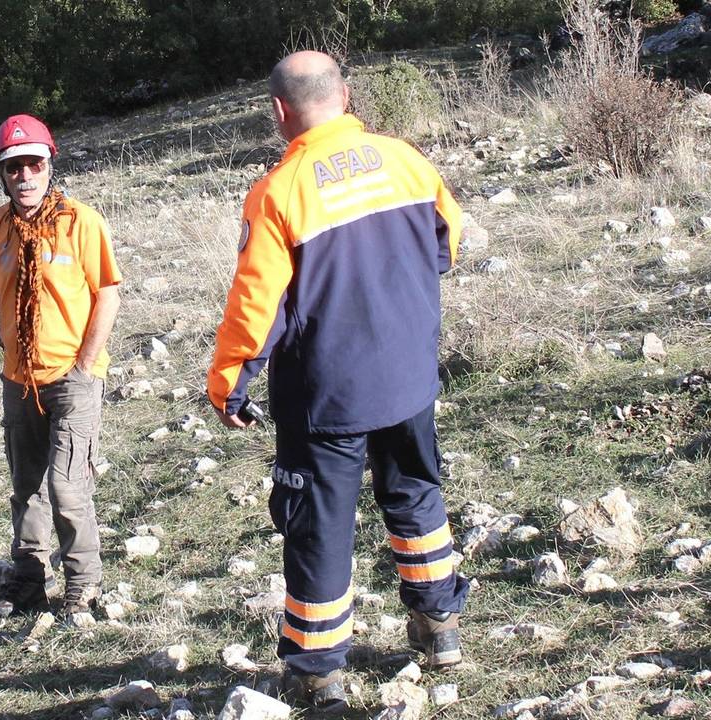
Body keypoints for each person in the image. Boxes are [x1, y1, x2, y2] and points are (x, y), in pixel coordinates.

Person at [207, 51, 469, 709]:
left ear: (277, 112)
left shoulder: (278, 193)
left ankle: (319, 672)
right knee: (415, 496)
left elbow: (257, 305)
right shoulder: (404, 158)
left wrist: (229, 383)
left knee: (319, 526)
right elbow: (448, 240)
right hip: (408, 375)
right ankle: (438, 630)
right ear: (346, 96)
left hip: (328, 394)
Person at [0, 114, 122, 619]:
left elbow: (107, 294)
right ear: (2, 173)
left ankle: (84, 582)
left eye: (33, 164)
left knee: (67, 486)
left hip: (73, 379)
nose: (25, 176)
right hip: (19, 378)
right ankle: (29, 579)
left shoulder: (81, 221)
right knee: (25, 485)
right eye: (14, 168)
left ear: (49, 164)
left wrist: (83, 363)